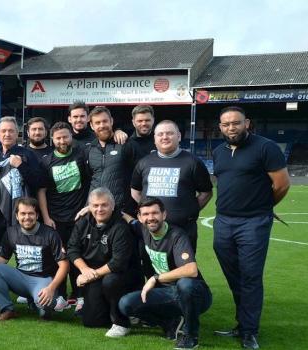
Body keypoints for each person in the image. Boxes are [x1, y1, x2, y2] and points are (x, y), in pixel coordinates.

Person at [211, 106, 290, 349]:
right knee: (234, 276)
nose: (231, 128)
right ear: (220, 127)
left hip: (253, 223)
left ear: (247, 123)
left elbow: (282, 185)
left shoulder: (266, 147)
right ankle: (241, 323)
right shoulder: (218, 152)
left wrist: (262, 207)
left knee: (250, 277)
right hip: (223, 221)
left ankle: (249, 331)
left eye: (236, 123)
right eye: (226, 124)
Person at [118, 197, 213, 349]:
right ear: (140, 217)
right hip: (166, 294)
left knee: (185, 283)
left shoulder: (177, 235)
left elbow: (191, 270)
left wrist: (155, 278)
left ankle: (190, 335)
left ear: (164, 215)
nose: (150, 218)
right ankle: (171, 323)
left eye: (155, 213)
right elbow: (128, 219)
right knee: (125, 304)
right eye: (146, 214)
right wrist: (93, 208)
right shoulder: (143, 229)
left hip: (196, 295)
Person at [67, 188, 142, 337]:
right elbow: (72, 249)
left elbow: (118, 263)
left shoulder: (120, 227)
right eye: (95, 205)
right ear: (89, 206)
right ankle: (125, 309)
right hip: (95, 273)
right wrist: (84, 270)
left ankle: (121, 322)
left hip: (122, 274)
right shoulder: (83, 222)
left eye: (104, 205)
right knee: (91, 321)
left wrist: (90, 276)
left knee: (110, 281)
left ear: (113, 206)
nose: (99, 209)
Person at [131, 120, 212, 251]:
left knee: (184, 269)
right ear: (155, 138)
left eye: (169, 133)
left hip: (184, 230)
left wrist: (190, 210)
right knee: (150, 268)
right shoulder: (144, 162)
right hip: (151, 231)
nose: (165, 137)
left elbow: (206, 192)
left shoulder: (193, 162)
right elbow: (135, 191)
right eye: (160, 134)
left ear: (179, 136)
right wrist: (148, 211)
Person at [0, 197, 69, 321]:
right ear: (17, 216)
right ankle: (7, 309)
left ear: (37, 215)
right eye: (23, 213)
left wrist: (51, 288)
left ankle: (46, 302)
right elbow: (3, 258)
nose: (27, 217)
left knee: (44, 309)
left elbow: (64, 264)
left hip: (43, 280)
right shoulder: (11, 232)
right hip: (21, 279)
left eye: (31, 213)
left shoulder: (50, 234)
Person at [37, 121, 90, 301]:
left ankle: (79, 294)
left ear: (71, 137)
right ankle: (59, 294)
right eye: (58, 138)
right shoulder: (46, 161)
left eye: (65, 137)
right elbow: (42, 191)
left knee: (77, 255)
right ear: (52, 139)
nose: (62, 141)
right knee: (58, 256)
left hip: (79, 216)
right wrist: (46, 217)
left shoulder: (81, 155)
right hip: (56, 217)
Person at [0, 116, 42, 257]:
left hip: (20, 216)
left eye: (11, 131)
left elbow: (38, 182)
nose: (7, 134)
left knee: (24, 255)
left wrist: (21, 166)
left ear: (17, 134)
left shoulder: (28, 155)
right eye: (3, 131)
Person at [85, 106, 140, 213]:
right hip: (96, 210)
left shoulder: (126, 144)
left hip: (121, 210)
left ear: (111, 121)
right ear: (91, 126)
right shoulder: (89, 149)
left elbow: (140, 174)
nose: (102, 125)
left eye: (105, 121)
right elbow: (89, 177)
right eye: (97, 123)